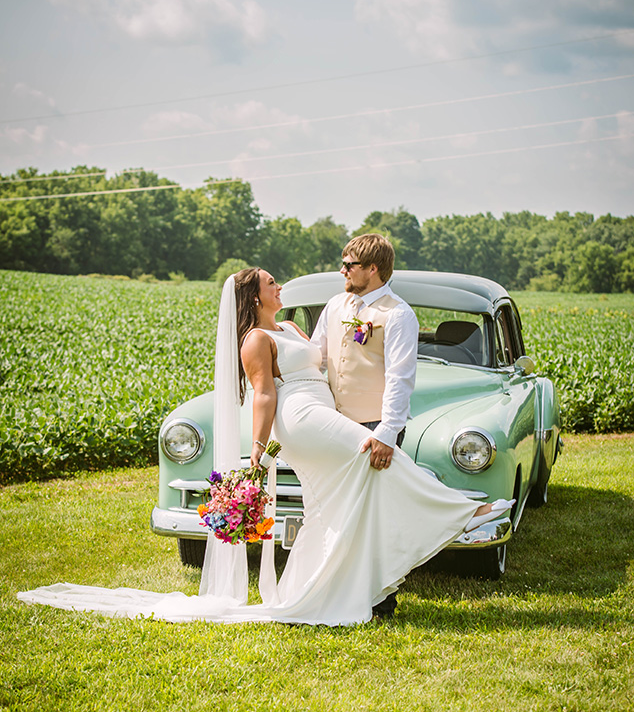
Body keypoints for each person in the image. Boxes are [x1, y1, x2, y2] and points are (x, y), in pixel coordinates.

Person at [18, 267, 513, 626]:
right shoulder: (255, 338)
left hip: (324, 408)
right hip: (299, 417)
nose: (280, 286)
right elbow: (264, 394)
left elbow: (336, 354)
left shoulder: (292, 327)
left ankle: (325, 589)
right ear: (255, 296)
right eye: (273, 283)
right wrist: (256, 451)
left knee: (336, 502)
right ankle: (464, 511)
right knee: (378, 451)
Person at [310, 234, 419, 617]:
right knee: (338, 510)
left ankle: (380, 601)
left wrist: (387, 434)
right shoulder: (335, 304)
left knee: (375, 516)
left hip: (375, 427)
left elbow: (400, 378)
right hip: (335, 424)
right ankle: (336, 591)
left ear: (373, 269)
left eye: (349, 264)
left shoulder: (399, 314)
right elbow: (317, 356)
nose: (342, 270)